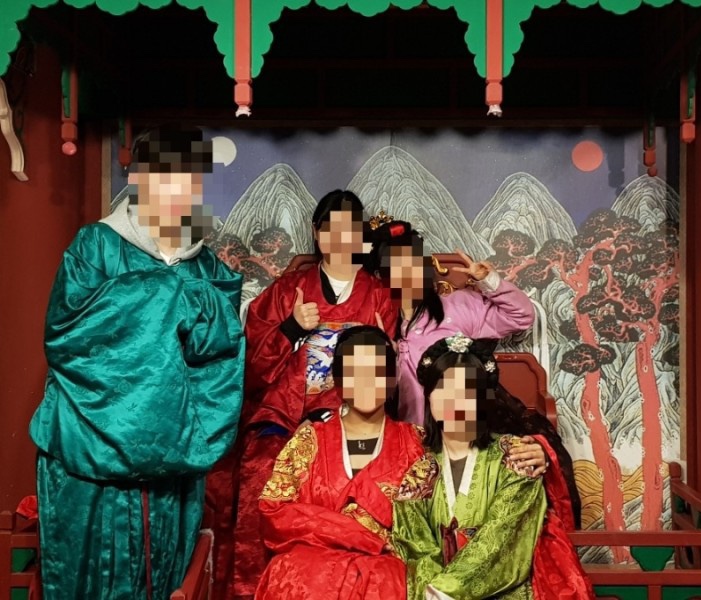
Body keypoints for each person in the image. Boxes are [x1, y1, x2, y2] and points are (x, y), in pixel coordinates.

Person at [29, 125, 245, 599]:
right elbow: (68, 338)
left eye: (190, 177)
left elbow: (218, 363)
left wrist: (169, 306)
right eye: (166, 175)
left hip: (171, 470)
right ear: (140, 178)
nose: (179, 189)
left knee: (167, 580)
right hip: (91, 461)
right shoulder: (95, 248)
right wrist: (169, 297)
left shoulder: (207, 267)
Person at [209, 190, 397, 599]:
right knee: (262, 473)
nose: (340, 237)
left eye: (350, 228)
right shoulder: (287, 290)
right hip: (284, 419)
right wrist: (292, 327)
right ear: (316, 232)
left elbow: (389, 371)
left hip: (351, 421)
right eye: (331, 228)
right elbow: (252, 367)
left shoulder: (380, 294)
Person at [393, 334, 595, 600]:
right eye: (443, 388)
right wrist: (433, 591)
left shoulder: (516, 457)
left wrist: (446, 591)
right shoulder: (420, 471)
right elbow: (416, 548)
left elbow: (504, 538)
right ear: (429, 396)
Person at [368, 218, 547, 479]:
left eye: (413, 261)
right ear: (380, 275)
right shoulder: (377, 322)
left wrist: (488, 281)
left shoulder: (457, 307)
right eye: (396, 266)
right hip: (408, 444)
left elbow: (521, 316)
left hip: (462, 438)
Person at [254, 326, 422, 599]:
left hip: (385, 578)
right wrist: (355, 534)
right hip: (309, 576)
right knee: (287, 570)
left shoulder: (416, 443)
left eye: (377, 372)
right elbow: (274, 511)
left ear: (393, 377)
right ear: (338, 379)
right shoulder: (310, 439)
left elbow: (433, 522)